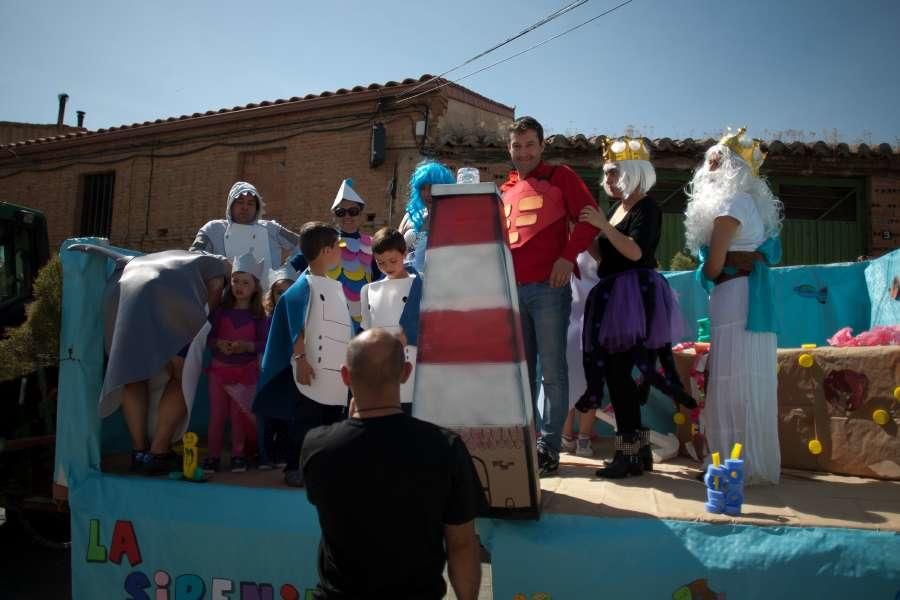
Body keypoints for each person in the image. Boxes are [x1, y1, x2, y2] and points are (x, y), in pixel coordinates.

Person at [301, 329, 484, 599]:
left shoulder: (317, 447)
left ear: (345, 376)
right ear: (405, 372)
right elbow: (462, 545)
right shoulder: (445, 446)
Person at [576, 136, 696, 478]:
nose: (608, 180)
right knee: (621, 378)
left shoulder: (647, 207)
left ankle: (627, 455)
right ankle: (638, 452)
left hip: (634, 296)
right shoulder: (618, 209)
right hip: (615, 294)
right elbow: (607, 256)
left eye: (614, 173)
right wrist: (588, 236)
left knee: (619, 375)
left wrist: (602, 227)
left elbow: (635, 253)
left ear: (632, 171)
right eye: (607, 174)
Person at [67, 244, 228, 475]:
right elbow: (214, 293)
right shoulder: (217, 264)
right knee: (180, 376)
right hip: (173, 301)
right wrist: (200, 327)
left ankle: (138, 451)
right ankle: (158, 452)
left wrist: (89, 248)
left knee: (132, 374)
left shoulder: (160, 255)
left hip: (125, 296)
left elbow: (117, 258)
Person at [500, 116, 599, 476]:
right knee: (521, 372)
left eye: (529, 145)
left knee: (553, 371)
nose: (523, 152)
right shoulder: (505, 188)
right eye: (516, 146)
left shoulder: (561, 177)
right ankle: (526, 440)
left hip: (548, 290)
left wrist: (566, 257)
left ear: (542, 146)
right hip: (513, 293)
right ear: (509, 150)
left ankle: (548, 446)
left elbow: (590, 218)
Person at [684, 128, 783, 485]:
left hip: (735, 297)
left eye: (716, 163)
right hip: (743, 295)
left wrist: (710, 264)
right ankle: (743, 462)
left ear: (733, 168)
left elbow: (712, 267)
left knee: (730, 381)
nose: (708, 170)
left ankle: (729, 464)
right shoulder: (748, 202)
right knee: (741, 380)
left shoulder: (730, 205)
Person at [254, 222, 352, 487]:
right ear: (325, 251)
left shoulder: (335, 287)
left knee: (331, 423)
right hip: (310, 371)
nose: (341, 252)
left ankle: (324, 467)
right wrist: (300, 359)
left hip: (335, 375)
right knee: (305, 423)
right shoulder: (303, 286)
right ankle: (295, 465)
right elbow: (295, 324)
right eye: (338, 248)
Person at [202, 252, 268, 473]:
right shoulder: (220, 312)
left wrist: (246, 347)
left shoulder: (259, 316)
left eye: (245, 283)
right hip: (219, 371)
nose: (239, 286)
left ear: (255, 287)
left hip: (245, 372)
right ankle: (212, 455)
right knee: (217, 415)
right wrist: (218, 343)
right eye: (235, 281)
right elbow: (207, 338)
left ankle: (238, 455)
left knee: (238, 415)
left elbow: (264, 344)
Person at [359, 227, 423, 413]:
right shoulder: (368, 290)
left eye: (393, 261)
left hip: (414, 366)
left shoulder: (421, 284)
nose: (387, 267)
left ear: (404, 254)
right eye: (380, 263)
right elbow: (367, 334)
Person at [190, 181, 301, 286]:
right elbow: (194, 254)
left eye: (250, 203)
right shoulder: (213, 228)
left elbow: (303, 244)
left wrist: (287, 272)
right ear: (231, 204)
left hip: (266, 299)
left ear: (257, 208)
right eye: (240, 202)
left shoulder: (272, 228)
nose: (245, 207)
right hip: (224, 301)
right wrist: (221, 262)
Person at [559, 247, 602, 457]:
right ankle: (566, 437)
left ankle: (584, 438)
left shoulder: (598, 240)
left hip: (595, 315)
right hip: (567, 316)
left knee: (590, 378)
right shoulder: (562, 239)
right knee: (566, 376)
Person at [328, 179, 380, 329]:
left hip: (365, 320)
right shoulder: (325, 243)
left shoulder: (372, 244)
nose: (347, 216)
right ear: (334, 216)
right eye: (340, 212)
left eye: (353, 211)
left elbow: (379, 279)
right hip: (333, 318)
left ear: (361, 215)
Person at [397, 160, 456, 273]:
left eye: (432, 187)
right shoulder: (410, 216)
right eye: (423, 188)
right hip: (409, 284)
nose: (427, 193)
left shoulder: (454, 219)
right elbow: (395, 250)